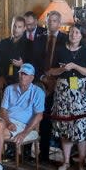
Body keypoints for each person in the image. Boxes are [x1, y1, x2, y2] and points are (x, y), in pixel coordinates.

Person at [0, 63, 46, 170]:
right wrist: (8, 122)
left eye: (25, 74)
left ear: (32, 77)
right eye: (21, 73)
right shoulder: (10, 88)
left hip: (23, 125)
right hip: (6, 122)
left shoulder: (38, 92)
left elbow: (39, 116)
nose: (22, 76)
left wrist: (24, 133)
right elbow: (3, 110)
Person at [49, 23, 86, 170]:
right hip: (63, 91)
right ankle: (66, 161)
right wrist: (63, 69)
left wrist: (75, 67)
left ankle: (82, 161)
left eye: (77, 33)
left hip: (80, 93)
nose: (73, 35)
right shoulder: (60, 50)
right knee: (65, 127)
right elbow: (51, 71)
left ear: (82, 36)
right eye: (71, 32)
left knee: (80, 126)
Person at [30, 10, 65, 153]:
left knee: (59, 118)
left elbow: (66, 61)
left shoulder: (65, 39)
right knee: (42, 117)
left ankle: (64, 155)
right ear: (46, 22)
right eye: (49, 20)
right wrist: (43, 78)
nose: (52, 23)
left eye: (55, 20)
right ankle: (43, 153)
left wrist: (55, 79)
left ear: (59, 23)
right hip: (41, 83)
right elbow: (33, 62)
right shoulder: (39, 40)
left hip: (59, 83)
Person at [0, 15, 29, 93]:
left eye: (19, 27)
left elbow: (32, 65)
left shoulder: (29, 44)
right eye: (14, 26)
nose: (16, 29)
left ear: (24, 28)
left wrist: (22, 65)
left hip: (21, 80)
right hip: (5, 79)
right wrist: (1, 77)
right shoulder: (3, 42)